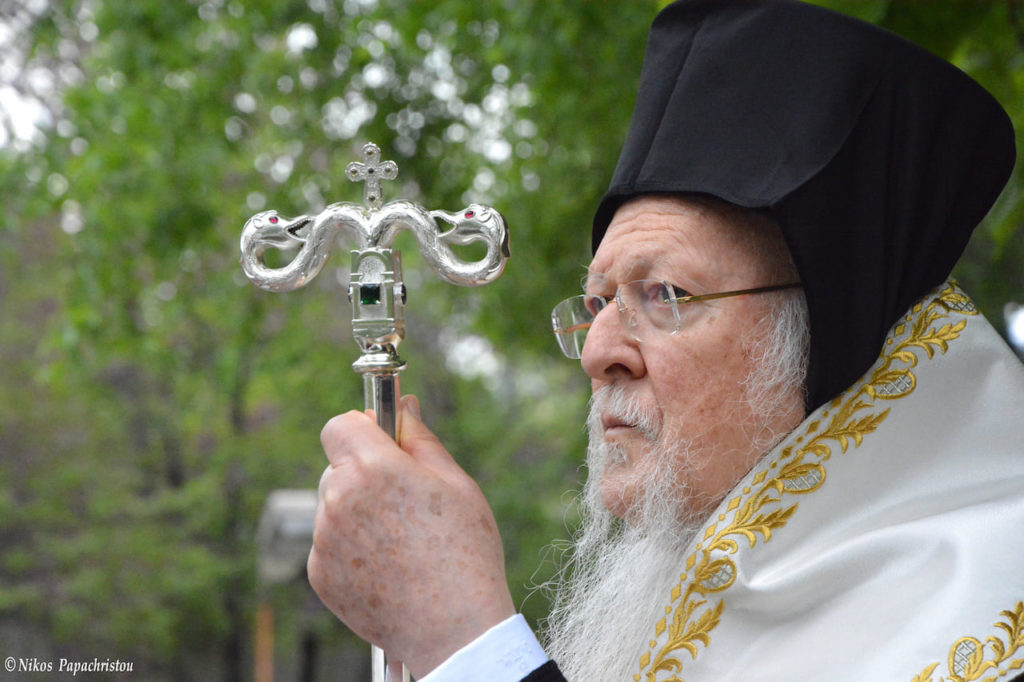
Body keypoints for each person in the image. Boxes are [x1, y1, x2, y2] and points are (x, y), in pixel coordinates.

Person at [307, 1, 1024, 680]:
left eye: (667, 294)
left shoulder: (986, 611)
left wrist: (461, 636)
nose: (598, 354)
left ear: (828, 340)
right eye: (598, 302)